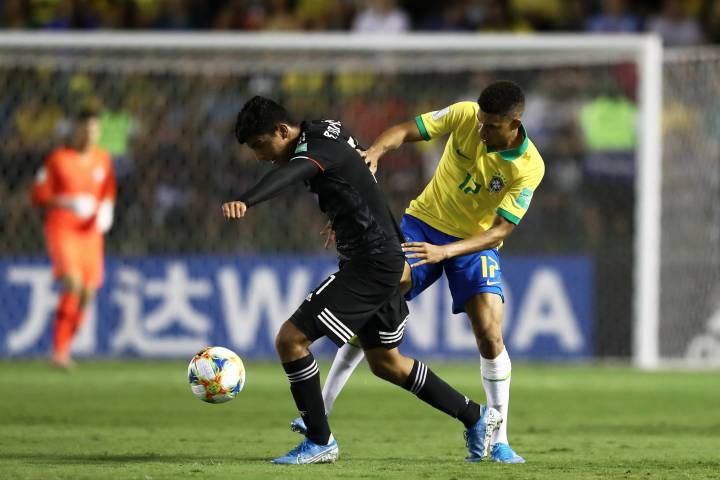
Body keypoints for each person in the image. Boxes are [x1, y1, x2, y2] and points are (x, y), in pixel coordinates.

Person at [223, 96, 502, 465]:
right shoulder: (326, 130)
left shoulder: (314, 149)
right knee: (387, 362)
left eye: (261, 145)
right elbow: (360, 168)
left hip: (371, 263)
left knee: (290, 340)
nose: (261, 156)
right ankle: (476, 416)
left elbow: (292, 173)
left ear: (282, 130)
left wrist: (247, 200)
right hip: (383, 257)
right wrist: (344, 213)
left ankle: (320, 441)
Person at [291, 81, 544, 464]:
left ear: (515, 124)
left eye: (491, 126)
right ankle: (320, 413)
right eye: (480, 121)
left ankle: (499, 438)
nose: (480, 130)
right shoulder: (464, 115)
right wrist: (376, 150)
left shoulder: (529, 166)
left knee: (490, 331)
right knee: (377, 298)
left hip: (474, 243)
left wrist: (445, 252)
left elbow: (500, 230)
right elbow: (406, 130)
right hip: (423, 225)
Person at [31, 105, 116, 369]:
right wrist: (66, 201)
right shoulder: (58, 159)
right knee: (73, 283)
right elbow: (38, 194)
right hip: (63, 229)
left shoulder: (103, 159)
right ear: (75, 130)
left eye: (94, 129)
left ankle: (64, 348)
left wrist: (107, 209)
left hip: (91, 233)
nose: (89, 134)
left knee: (87, 293)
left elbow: (108, 189)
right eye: (84, 128)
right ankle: (58, 352)